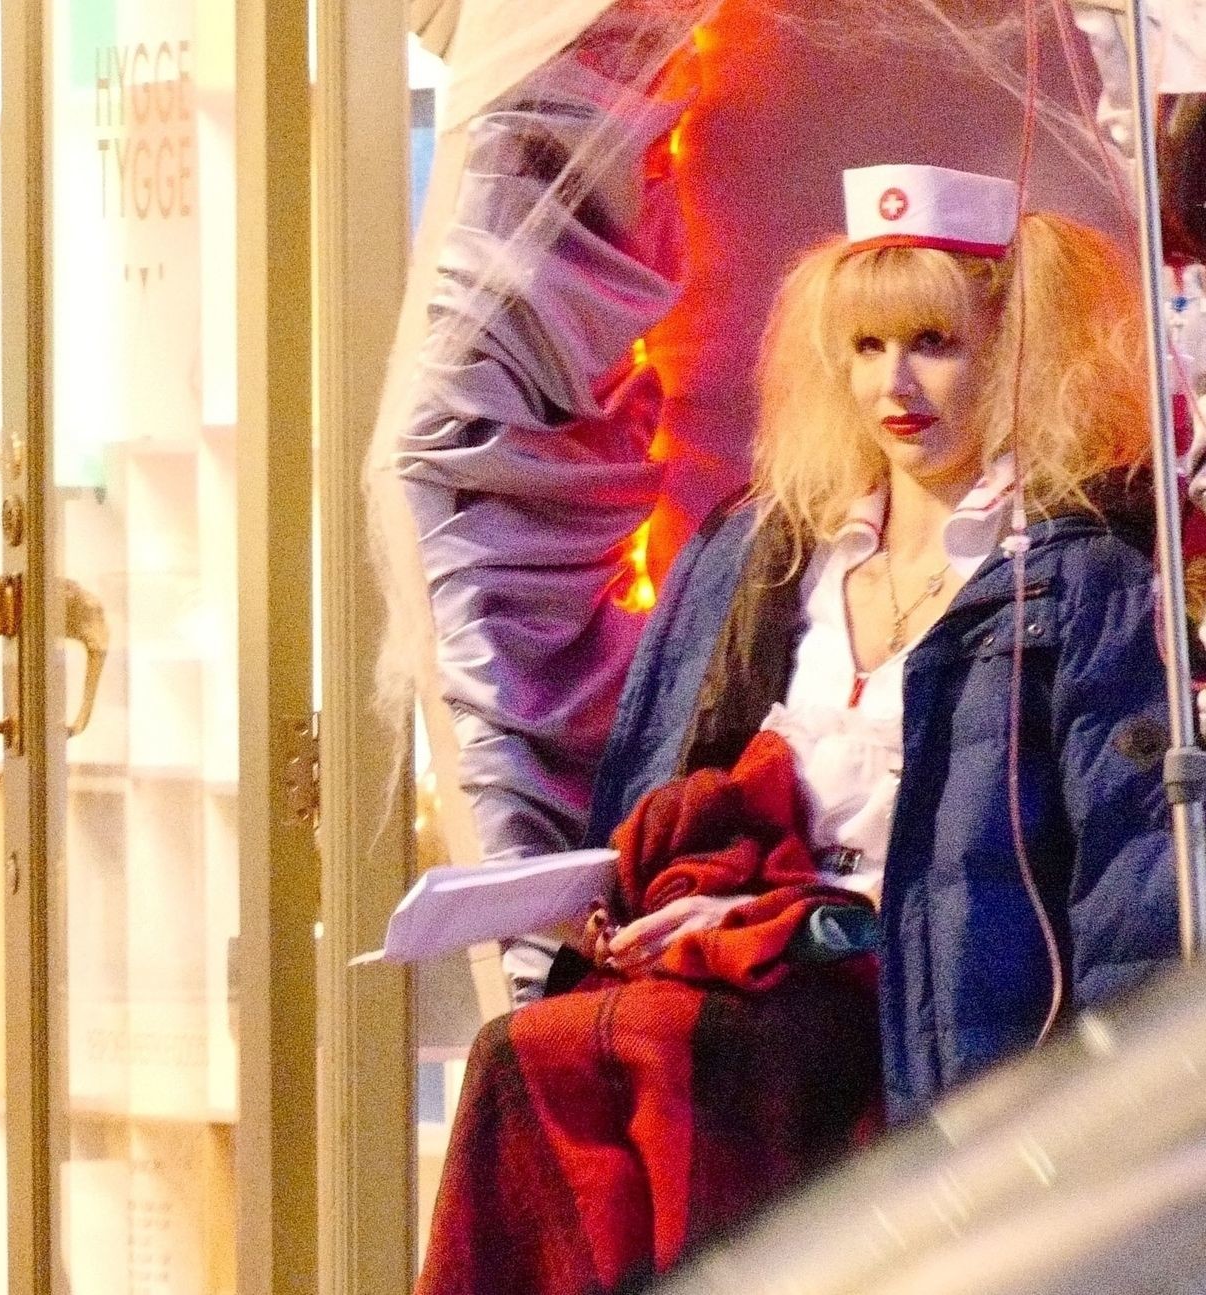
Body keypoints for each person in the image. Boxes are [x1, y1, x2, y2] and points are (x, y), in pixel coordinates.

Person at [417, 164, 1180, 1295]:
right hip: (747, 957)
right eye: (868, 347)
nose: (895, 383)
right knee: (529, 1055)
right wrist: (632, 898)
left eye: (934, 341)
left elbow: (1134, 870)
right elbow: (652, 787)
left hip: (933, 996)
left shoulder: (1079, 580)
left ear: (1015, 349)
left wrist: (1121, 1113)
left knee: (685, 1057)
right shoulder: (758, 556)